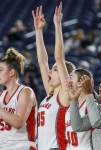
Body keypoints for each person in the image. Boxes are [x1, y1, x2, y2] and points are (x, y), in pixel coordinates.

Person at [32, 3, 75, 150]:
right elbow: (43, 62)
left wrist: (57, 25)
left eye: (55, 70)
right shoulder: (50, 93)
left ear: (65, 75)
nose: (50, 72)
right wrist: (38, 31)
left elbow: (59, 58)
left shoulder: (64, 95)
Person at [53, 3, 95, 150]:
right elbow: (59, 59)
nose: (68, 79)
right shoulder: (72, 105)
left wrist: (58, 26)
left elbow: (60, 58)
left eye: (71, 77)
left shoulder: (92, 106)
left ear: (82, 82)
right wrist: (57, 26)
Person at [0, 48, 37, 150]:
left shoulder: (26, 92)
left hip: (22, 147)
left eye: (0, 70)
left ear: (11, 72)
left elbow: (18, 122)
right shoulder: (0, 96)